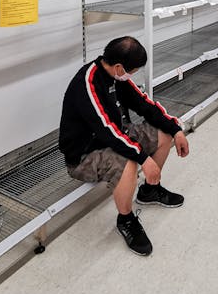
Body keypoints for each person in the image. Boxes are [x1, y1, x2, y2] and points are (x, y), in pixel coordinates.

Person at [59, 36, 190, 255]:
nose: (133, 75)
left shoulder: (117, 77)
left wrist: (175, 129)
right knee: (129, 161)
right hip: (84, 154)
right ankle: (126, 220)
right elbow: (107, 130)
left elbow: (145, 105)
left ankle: (149, 191)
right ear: (120, 67)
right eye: (134, 70)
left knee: (164, 135)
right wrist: (143, 158)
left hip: (114, 136)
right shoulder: (88, 83)